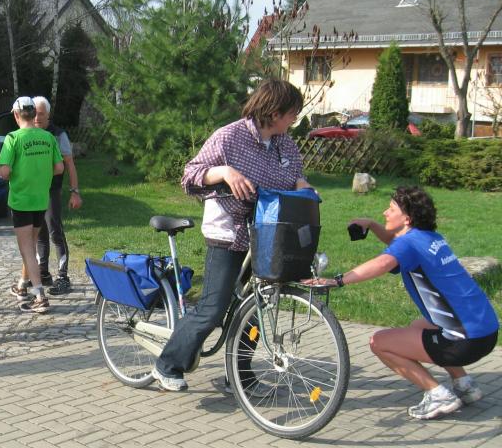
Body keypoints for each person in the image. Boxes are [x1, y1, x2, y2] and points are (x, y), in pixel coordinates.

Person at [152, 79, 313, 392]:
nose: (296, 118)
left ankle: (239, 374)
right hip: (228, 232)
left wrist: (302, 187)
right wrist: (224, 172)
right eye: (293, 112)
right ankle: (166, 364)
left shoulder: (285, 144)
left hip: (267, 235)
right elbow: (190, 176)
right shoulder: (229, 137)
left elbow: (295, 177)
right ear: (275, 112)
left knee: (256, 306)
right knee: (213, 308)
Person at [304, 186, 498, 420]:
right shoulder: (431, 239)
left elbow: (382, 263)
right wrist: (372, 225)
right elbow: (397, 243)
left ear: (407, 218)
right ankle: (465, 385)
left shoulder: (409, 245)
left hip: (464, 342)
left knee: (379, 342)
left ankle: (438, 395)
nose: (385, 212)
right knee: (418, 326)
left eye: (391, 209)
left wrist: (337, 281)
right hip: (487, 332)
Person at [0, 96, 64, 314]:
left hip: (21, 200)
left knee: (27, 248)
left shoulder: (13, 138)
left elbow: (4, 172)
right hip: (41, 199)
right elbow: (59, 168)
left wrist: (7, 169)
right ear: (34, 114)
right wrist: (39, 172)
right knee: (31, 244)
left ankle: (39, 296)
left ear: (17, 115)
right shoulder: (48, 137)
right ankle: (21, 286)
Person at [33, 96, 82, 295]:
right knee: (39, 233)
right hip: (34, 191)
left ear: (48, 115)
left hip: (52, 190)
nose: (37, 117)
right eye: (34, 113)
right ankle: (43, 273)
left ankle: (63, 277)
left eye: (41, 114)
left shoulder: (58, 134)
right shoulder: (29, 133)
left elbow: (69, 164)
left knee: (55, 231)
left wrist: (74, 192)